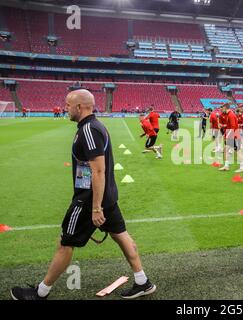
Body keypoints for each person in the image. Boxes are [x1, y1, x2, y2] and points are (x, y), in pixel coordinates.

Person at [10, 90, 156, 300]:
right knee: (120, 235)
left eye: (68, 104)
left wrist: (96, 207)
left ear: (80, 107)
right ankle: (143, 281)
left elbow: (98, 170)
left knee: (65, 242)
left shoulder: (89, 130)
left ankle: (40, 293)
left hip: (89, 200)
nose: (65, 108)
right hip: (106, 197)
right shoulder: (91, 127)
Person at [219, 104, 243, 173]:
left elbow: (233, 127)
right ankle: (226, 166)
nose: (221, 109)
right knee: (226, 150)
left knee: (237, 151)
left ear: (225, 108)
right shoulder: (228, 114)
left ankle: (241, 167)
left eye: (222, 108)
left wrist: (227, 136)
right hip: (231, 135)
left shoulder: (231, 115)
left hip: (234, 135)